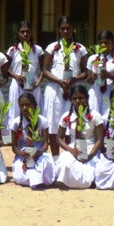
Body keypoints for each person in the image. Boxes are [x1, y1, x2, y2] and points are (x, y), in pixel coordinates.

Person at [42, 16, 88, 162]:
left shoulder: (80, 49)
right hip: (55, 90)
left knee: (73, 123)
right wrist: (59, 81)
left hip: (74, 92)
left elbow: (85, 71)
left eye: (68, 28)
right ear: (58, 30)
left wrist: (75, 79)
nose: (66, 31)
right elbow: (45, 70)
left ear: (73, 29)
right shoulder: (52, 48)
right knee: (54, 123)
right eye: (62, 28)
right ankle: (56, 159)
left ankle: (71, 156)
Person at [55, 85, 104, 189]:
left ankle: (89, 182)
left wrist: (90, 156)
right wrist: (70, 150)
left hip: (91, 147)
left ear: (86, 99)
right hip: (73, 147)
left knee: (93, 168)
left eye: (81, 98)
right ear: (71, 100)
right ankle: (66, 182)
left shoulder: (95, 116)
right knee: (64, 164)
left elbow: (100, 139)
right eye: (74, 98)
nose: (78, 101)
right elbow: (59, 138)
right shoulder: (66, 116)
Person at [10, 93, 55, 189]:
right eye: (22, 105)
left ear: (34, 106)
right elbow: (14, 146)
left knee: (45, 165)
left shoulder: (43, 121)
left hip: (39, 152)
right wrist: (20, 153)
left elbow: (45, 144)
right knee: (21, 175)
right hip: (23, 152)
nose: (24, 108)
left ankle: (38, 179)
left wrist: (39, 152)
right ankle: (35, 179)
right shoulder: (16, 123)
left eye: (28, 105)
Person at [5, 21, 44, 123]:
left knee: (34, 113)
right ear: (18, 33)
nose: (25, 34)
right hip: (17, 85)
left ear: (31, 33)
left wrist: (37, 83)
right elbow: (3, 69)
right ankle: (16, 135)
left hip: (33, 85)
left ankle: (35, 136)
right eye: (22, 32)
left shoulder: (37, 50)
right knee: (16, 112)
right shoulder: (13, 50)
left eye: (28, 31)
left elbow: (44, 69)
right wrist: (15, 76)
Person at [86, 30, 114, 116]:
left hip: (111, 91)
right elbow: (88, 81)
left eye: (107, 42)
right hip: (95, 92)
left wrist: (110, 75)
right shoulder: (93, 58)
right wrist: (92, 76)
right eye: (101, 43)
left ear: (113, 43)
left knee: (109, 117)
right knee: (94, 117)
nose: (104, 45)